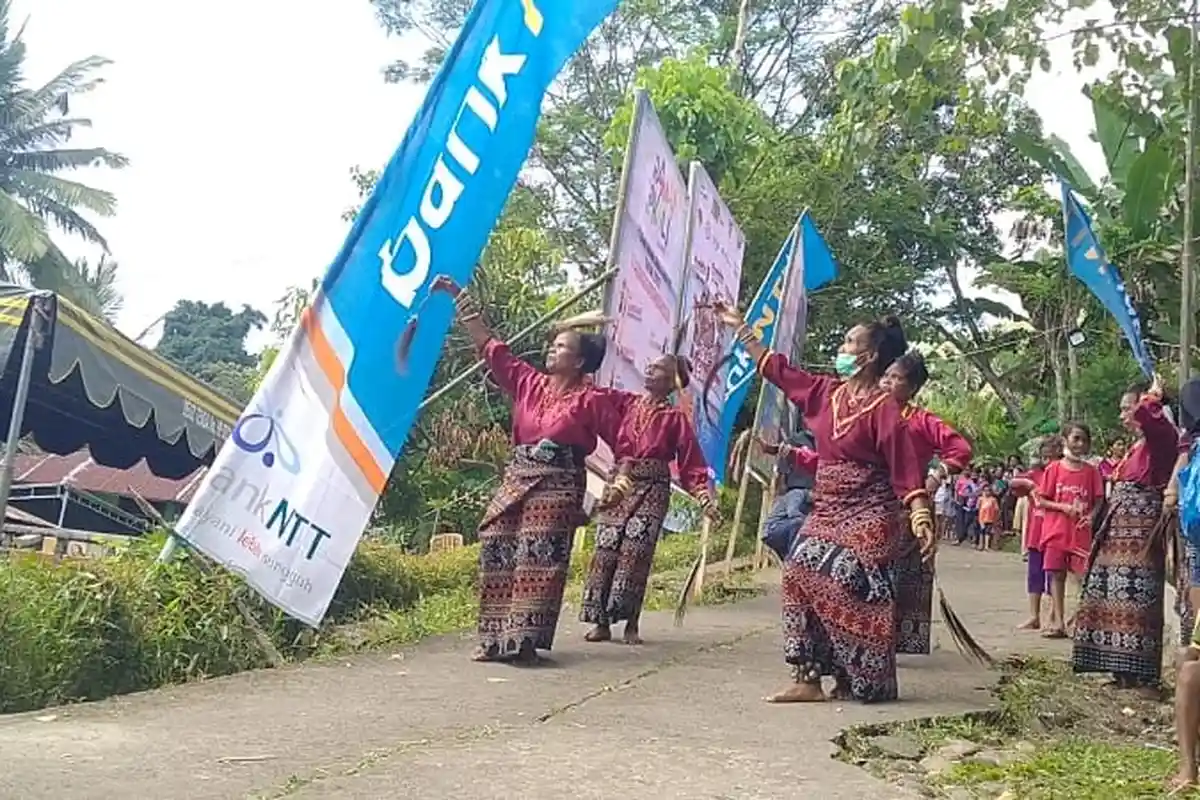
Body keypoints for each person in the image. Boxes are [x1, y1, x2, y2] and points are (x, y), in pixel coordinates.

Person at [711, 303, 935, 704]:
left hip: (871, 510)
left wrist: (918, 511)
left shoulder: (884, 408)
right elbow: (776, 369)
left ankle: (860, 674)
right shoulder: (825, 392)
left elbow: (904, 467)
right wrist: (742, 327)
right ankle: (808, 677)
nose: (842, 348)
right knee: (798, 569)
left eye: (850, 342)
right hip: (828, 506)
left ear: (868, 356)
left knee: (845, 573)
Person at [441, 278, 611, 665]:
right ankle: (492, 637)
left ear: (579, 361)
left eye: (562, 347)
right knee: (497, 543)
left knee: (538, 554)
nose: (552, 350)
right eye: (554, 345)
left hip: (559, 481)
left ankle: (524, 640)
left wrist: (616, 481)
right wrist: (461, 300)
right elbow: (491, 348)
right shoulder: (527, 382)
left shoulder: (593, 399)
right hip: (519, 473)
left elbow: (622, 437)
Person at [580, 354, 719, 645]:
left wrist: (703, 497)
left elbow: (691, 462)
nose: (649, 369)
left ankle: (631, 623)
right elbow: (595, 396)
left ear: (671, 381)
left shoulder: (674, 419)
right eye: (650, 365)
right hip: (619, 483)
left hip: (653, 489)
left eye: (657, 368)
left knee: (636, 552)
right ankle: (601, 623)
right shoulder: (627, 403)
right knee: (605, 550)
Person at [1072, 377, 1180, 694]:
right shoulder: (1137, 447)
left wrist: (1153, 395)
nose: (1122, 415)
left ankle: (1142, 676)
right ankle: (1121, 670)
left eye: (1126, 408)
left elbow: (1149, 413)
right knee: (1112, 599)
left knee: (1137, 601)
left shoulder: (1162, 437)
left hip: (1140, 538)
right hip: (1118, 537)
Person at [879, 350, 972, 656]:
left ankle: (891, 640)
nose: (888, 383)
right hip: (870, 501)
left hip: (908, 506)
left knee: (901, 574)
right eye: (887, 376)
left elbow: (959, 448)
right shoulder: (868, 411)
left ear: (912, 388)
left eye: (897, 378)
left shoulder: (921, 420)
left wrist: (935, 477)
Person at [1037, 423, 1105, 640]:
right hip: (1056, 532)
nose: (1080, 444)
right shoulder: (1053, 469)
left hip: (1080, 533)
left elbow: (1099, 499)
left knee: (1081, 577)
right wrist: (1063, 508)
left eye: (1084, 440)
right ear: (1065, 440)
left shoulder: (1092, 472)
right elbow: (1041, 499)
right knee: (1056, 575)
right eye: (1076, 439)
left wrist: (1092, 516)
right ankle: (1058, 620)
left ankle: (1078, 620)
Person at [1011, 436, 1064, 631]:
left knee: (1053, 577)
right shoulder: (1035, 475)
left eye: (1052, 457)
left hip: (1054, 533)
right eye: (1045, 458)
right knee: (1034, 576)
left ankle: (1052, 616)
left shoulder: (1063, 475)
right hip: (1036, 533)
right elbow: (1013, 484)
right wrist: (1031, 485)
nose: (1048, 462)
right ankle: (1034, 616)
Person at [757, 428, 818, 560]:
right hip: (773, 530)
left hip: (788, 524)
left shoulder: (826, 443)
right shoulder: (797, 493)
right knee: (800, 524)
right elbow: (794, 514)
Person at [978, 485, 999, 552]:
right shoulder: (981, 499)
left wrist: (996, 518)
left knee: (988, 532)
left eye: (988, 490)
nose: (987, 492)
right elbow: (978, 507)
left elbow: (996, 509)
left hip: (990, 518)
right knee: (982, 531)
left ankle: (986, 546)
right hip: (982, 518)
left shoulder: (993, 499)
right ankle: (981, 544)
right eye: (985, 490)